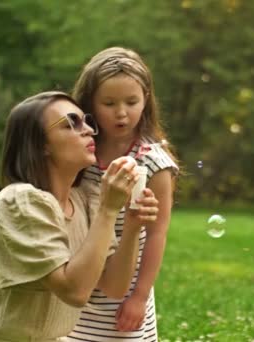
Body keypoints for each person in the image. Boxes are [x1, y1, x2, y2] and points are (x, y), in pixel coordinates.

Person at [0, 91, 160, 342]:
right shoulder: (19, 201)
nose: (89, 130)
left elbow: (114, 286)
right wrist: (108, 210)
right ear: (41, 144)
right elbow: (74, 291)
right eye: (71, 123)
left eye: (86, 121)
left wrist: (133, 226)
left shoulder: (85, 199)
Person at [68, 47, 179, 341]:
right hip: (78, 283)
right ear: (89, 103)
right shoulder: (81, 150)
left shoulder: (154, 163)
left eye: (132, 102)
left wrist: (139, 297)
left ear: (146, 101)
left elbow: (157, 234)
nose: (121, 113)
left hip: (123, 296)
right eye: (109, 103)